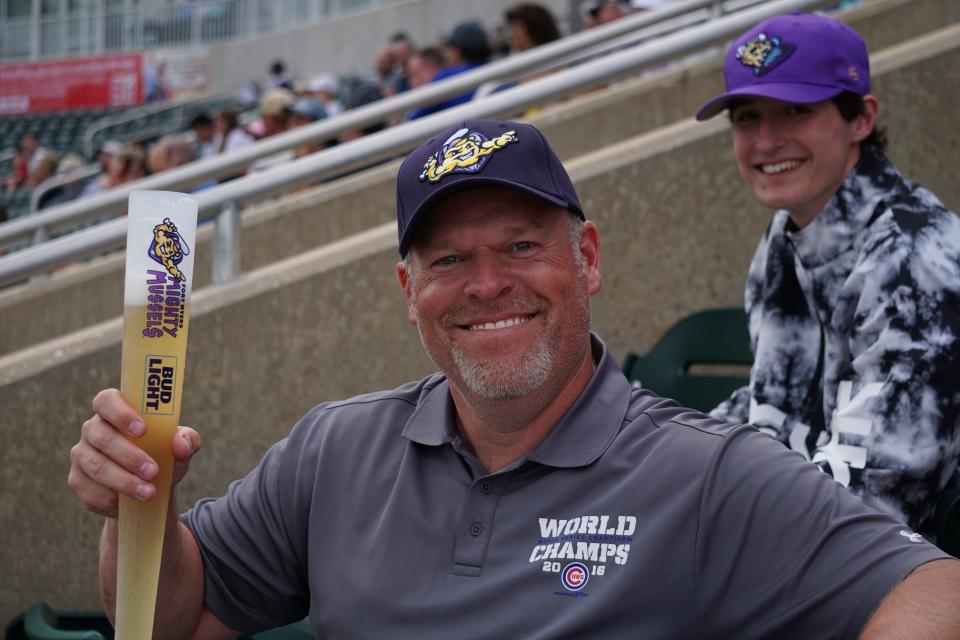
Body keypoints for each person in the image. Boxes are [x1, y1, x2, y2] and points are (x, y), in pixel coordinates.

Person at [69, 117, 960, 637]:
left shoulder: (704, 473)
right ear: (409, 290)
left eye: (523, 247)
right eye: (450, 258)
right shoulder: (334, 448)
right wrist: (137, 505)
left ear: (589, 258)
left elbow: (932, 590)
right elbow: (172, 620)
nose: (488, 284)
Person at [697, 13, 960, 532]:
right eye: (747, 117)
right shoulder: (787, 233)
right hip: (795, 530)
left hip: (885, 574)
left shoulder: (915, 256)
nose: (766, 141)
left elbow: (879, 493)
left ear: (860, 118)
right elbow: (773, 404)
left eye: (796, 110)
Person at [409, 21, 492, 120]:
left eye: (450, 48)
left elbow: (414, 117)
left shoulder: (446, 76)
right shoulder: (498, 70)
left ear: (458, 51)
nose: (448, 53)